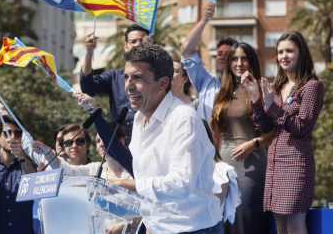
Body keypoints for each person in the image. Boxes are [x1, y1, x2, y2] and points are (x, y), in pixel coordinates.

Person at [115, 43, 223, 233]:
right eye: (126, 77)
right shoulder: (140, 119)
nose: (129, 86)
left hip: (194, 229)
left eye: (138, 77)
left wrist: (124, 185)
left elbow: (180, 185)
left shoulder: (183, 118)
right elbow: (146, 177)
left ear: (163, 83)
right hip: (157, 227)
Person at [241, 31, 324, 234]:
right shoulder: (277, 87)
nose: (283, 56)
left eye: (289, 50)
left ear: (301, 53)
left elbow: (301, 126)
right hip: (275, 164)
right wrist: (256, 98)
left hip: (297, 164)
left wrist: (271, 104)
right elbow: (267, 128)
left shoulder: (312, 86)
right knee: (280, 228)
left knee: (295, 226)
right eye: (280, 52)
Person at [210, 42, 269, 233]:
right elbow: (215, 134)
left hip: (251, 166)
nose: (239, 63)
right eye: (234, 58)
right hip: (222, 169)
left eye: (244, 58)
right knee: (224, 221)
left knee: (246, 219)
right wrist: (212, 163)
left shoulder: (262, 90)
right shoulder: (221, 94)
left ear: (252, 62)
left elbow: (275, 130)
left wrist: (254, 143)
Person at [80, 24, 151, 143]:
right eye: (133, 41)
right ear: (126, 46)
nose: (138, 45)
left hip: (149, 141)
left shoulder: (158, 75)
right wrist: (89, 53)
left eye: (142, 41)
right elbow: (88, 87)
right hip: (121, 143)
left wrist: (152, 56)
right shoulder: (114, 76)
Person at [180, 2, 237, 121]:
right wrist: (204, 20)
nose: (221, 57)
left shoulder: (245, 89)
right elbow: (186, 50)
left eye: (227, 54)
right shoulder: (206, 83)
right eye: (219, 53)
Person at [0, 116, 36, 234]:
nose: (13, 137)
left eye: (17, 134)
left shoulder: (29, 165)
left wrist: (22, 158)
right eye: (7, 133)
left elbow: (34, 188)